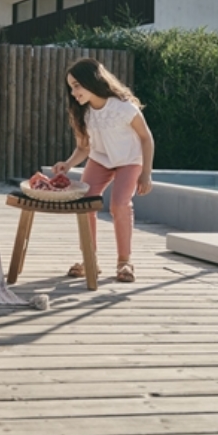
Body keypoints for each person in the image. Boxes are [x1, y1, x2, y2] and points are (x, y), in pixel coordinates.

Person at [51, 58, 154, 283]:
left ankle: (124, 262)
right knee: (85, 204)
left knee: (119, 205)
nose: (73, 92)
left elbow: (146, 138)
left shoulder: (124, 107)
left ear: (92, 81)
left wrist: (146, 172)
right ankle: (90, 260)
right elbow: (83, 147)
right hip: (100, 159)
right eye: (71, 87)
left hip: (129, 160)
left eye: (77, 85)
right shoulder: (83, 112)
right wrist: (68, 164)